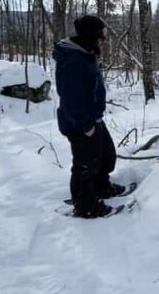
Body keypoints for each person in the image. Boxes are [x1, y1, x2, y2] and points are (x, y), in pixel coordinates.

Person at [53, 15, 127, 218]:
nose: (104, 40)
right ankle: (86, 206)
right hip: (80, 123)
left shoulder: (84, 53)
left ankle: (102, 188)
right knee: (85, 167)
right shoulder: (73, 60)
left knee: (106, 156)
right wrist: (85, 125)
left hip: (92, 118)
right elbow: (71, 98)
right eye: (101, 35)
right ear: (92, 36)